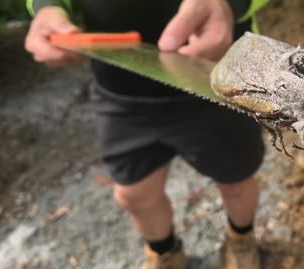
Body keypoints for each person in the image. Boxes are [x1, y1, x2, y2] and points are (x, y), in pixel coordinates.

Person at [25, 0, 269, 268]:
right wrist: (47, 8)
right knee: (135, 196)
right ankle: (165, 253)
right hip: (120, 90)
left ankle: (242, 239)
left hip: (217, 80)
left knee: (237, 182)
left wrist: (229, 5)